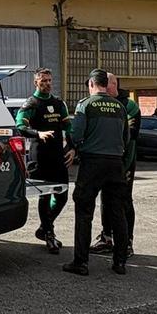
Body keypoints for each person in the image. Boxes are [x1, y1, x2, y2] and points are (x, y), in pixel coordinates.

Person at [62, 70, 130, 277]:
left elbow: (77, 133)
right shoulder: (119, 106)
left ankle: (80, 262)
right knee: (117, 212)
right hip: (116, 163)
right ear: (105, 84)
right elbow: (126, 138)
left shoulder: (86, 104)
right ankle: (120, 262)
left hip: (93, 162)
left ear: (92, 84)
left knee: (84, 211)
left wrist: (74, 145)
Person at [14, 68, 71, 254]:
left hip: (58, 156)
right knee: (45, 195)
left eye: (49, 80)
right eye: (43, 80)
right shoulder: (31, 103)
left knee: (62, 195)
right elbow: (20, 126)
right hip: (40, 156)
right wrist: (38, 133)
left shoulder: (58, 103)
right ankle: (49, 234)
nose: (47, 83)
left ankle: (44, 227)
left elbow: (67, 126)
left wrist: (72, 147)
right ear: (35, 83)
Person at [91, 79, 140, 257]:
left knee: (124, 200)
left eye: (109, 83)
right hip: (106, 162)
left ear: (115, 84)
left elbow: (130, 137)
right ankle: (106, 238)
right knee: (105, 199)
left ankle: (127, 242)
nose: (105, 86)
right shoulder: (100, 103)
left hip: (124, 162)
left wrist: (125, 166)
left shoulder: (129, 105)